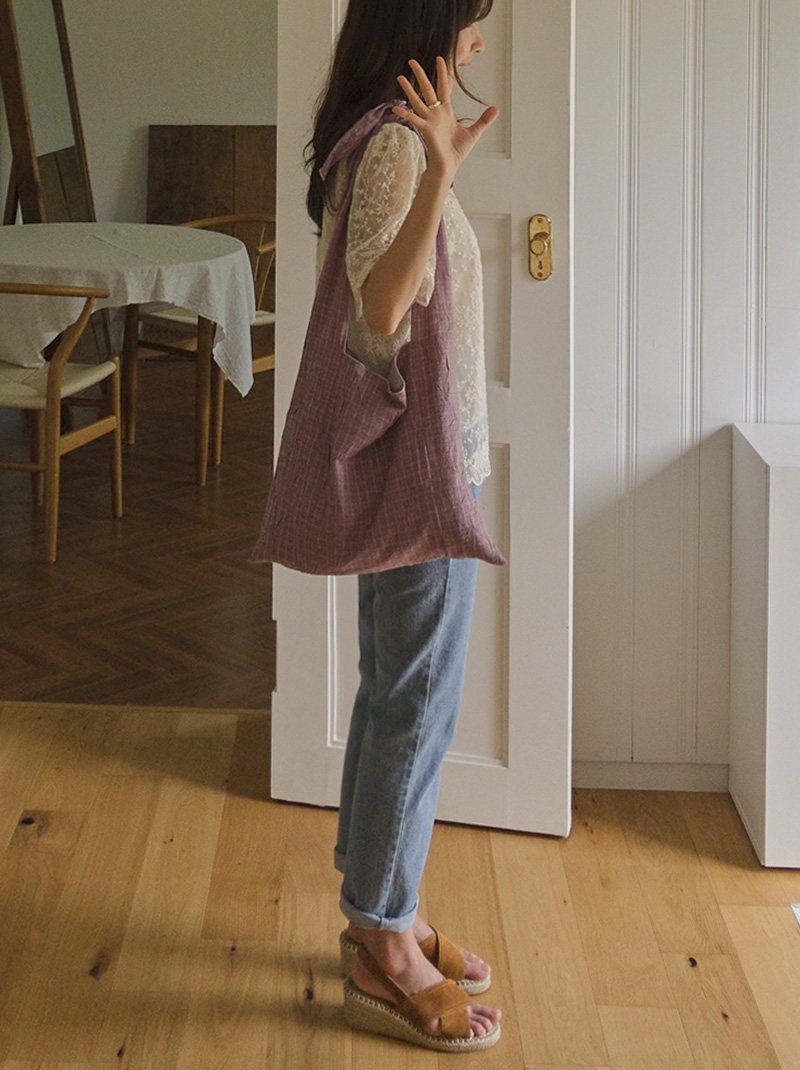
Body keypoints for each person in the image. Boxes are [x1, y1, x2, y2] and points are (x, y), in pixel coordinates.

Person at [304, 0, 503, 1053]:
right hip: (425, 473)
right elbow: (377, 318)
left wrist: (439, 170)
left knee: (396, 690)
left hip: (424, 465)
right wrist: (436, 176)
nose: (480, 37)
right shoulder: (395, 146)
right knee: (415, 700)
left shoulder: (386, 134)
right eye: (472, 16)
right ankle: (385, 941)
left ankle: (380, 906)